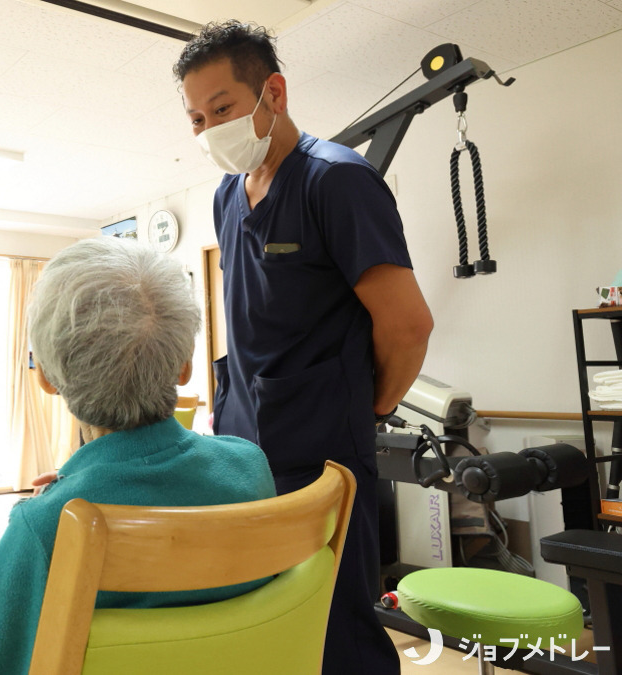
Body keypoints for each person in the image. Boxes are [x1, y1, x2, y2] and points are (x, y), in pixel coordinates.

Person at [0, 237, 277, 675]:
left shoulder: (44, 527)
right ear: (184, 364)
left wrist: (58, 502)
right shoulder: (250, 467)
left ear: (47, 378)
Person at [176, 20, 434, 674]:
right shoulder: (227, 196)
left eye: (224, 108)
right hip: (245, 445)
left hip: (324, 450)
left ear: (275, 93)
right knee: (268, 615)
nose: (210, 129)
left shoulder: (336, 181)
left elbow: (408, 326)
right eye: (198, 117)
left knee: (336, 626)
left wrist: (364, 409)